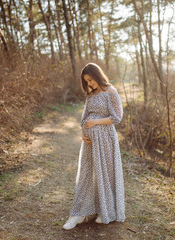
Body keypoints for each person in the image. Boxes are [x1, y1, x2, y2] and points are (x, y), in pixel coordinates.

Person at [63, 63, 125, 230]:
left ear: (97, 75)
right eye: (86, 81)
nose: (89, 84)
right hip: (90, 141)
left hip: (106, 140)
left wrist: (95, 122)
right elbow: (85, 117)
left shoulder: (111, 91)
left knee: (104, 174)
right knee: (86, 174)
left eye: (90, 79)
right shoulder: (90, 95)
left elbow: (117, 117)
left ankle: (104, 211)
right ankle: (76, 214)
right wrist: (84, 133)